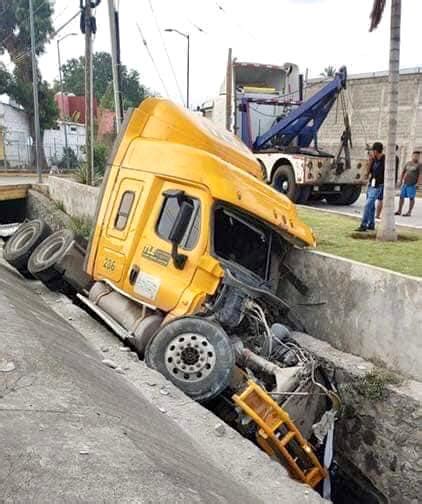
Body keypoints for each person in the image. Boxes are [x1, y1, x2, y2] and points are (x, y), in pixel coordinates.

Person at [356, 142, 384, 231]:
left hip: (379, 185)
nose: (372, 152)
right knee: (371, 206)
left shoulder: (385, 159)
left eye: (373, 150)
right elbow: (368, 173)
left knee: (368, 205)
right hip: (372, 184)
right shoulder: (374, 159)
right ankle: (371, 224)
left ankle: (363, 225)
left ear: (376, 151)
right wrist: (370, 161)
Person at [395, 150, 421, 217]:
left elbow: (420, 175)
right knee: (401, 196)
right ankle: (399, 210)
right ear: (412, 156)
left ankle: (409, 212)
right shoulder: (408, 163)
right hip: (405, 183)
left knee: (411, 198)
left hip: (412, 184)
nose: (416, 157)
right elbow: (403, 172)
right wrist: (400, 181)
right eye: (415, 155)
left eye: (418, 156)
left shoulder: (419, 165)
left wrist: (418, 183)